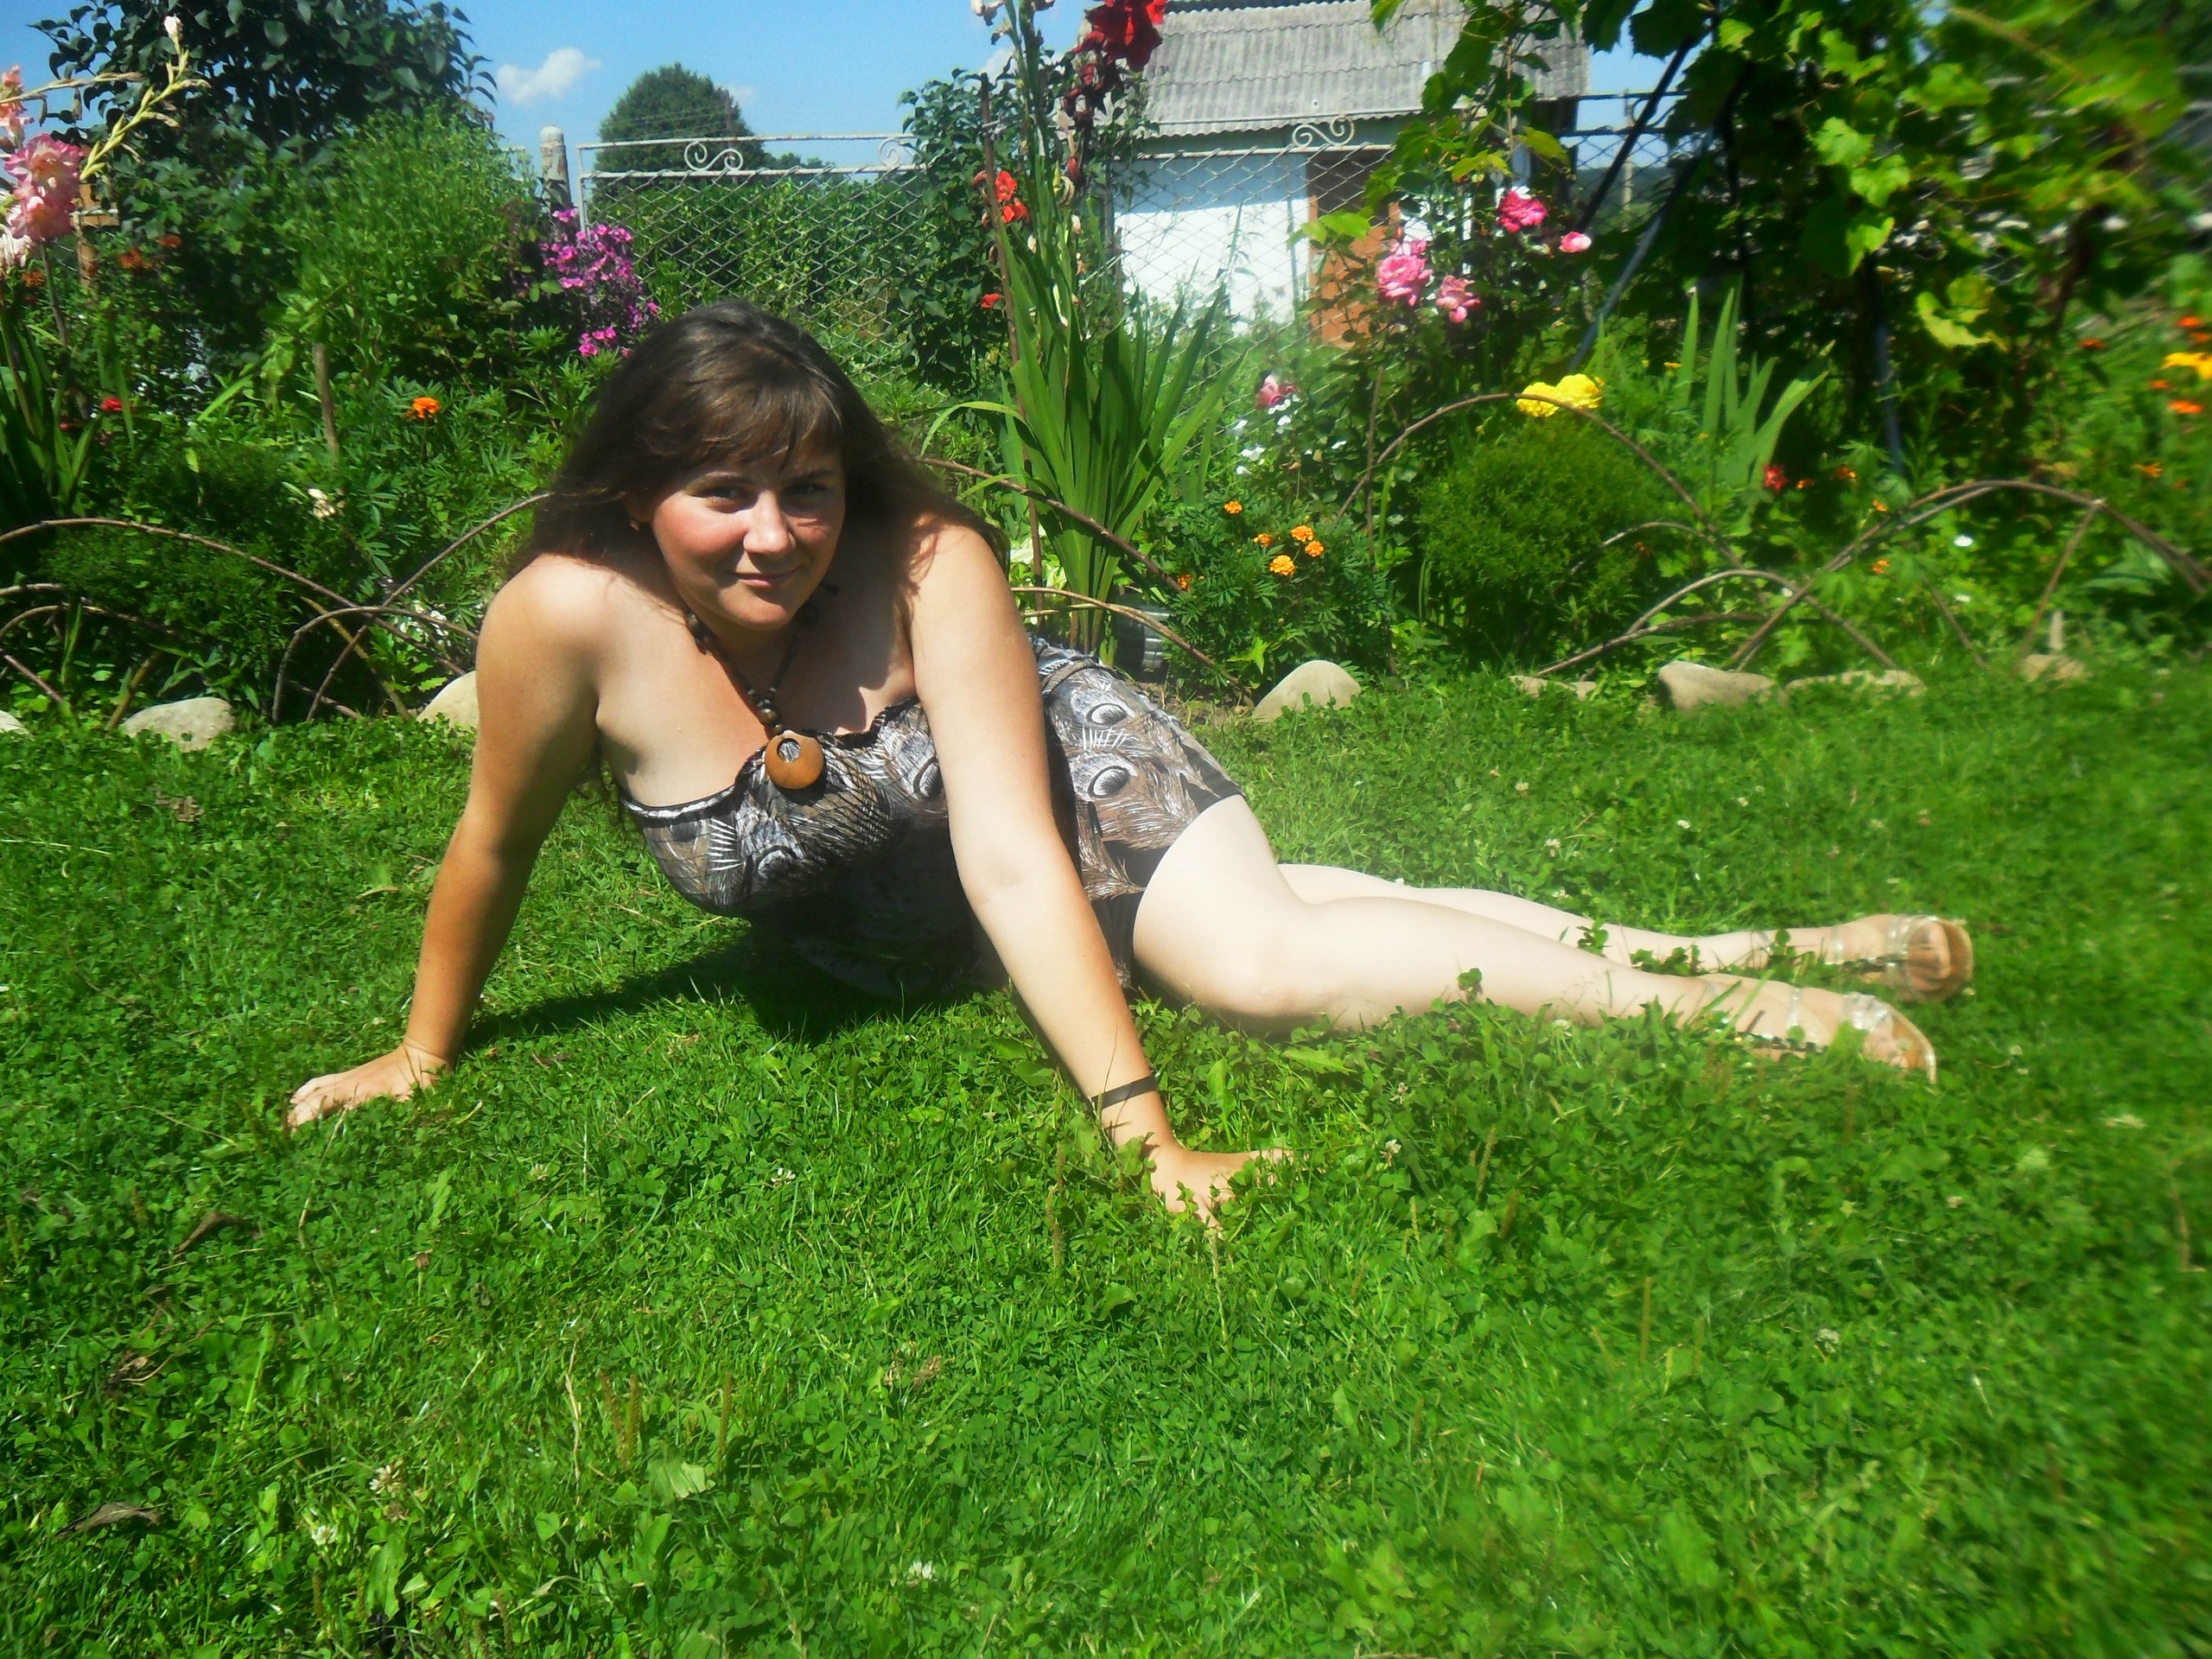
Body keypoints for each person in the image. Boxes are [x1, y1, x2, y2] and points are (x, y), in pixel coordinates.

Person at [289, 302, 1973, 1217]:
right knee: (1330, 907)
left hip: (1062, 783)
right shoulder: (563, 620)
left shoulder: (929, 564)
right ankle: (1767, 945)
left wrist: (1141, 1136)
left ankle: (1742, 1017)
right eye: (721, 492)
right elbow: (493, 842)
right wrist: (422, 1054)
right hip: (947, 917)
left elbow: (1011, 852)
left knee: (1263, 961)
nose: (773, 533)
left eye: (806, 489)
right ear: (636, 492)